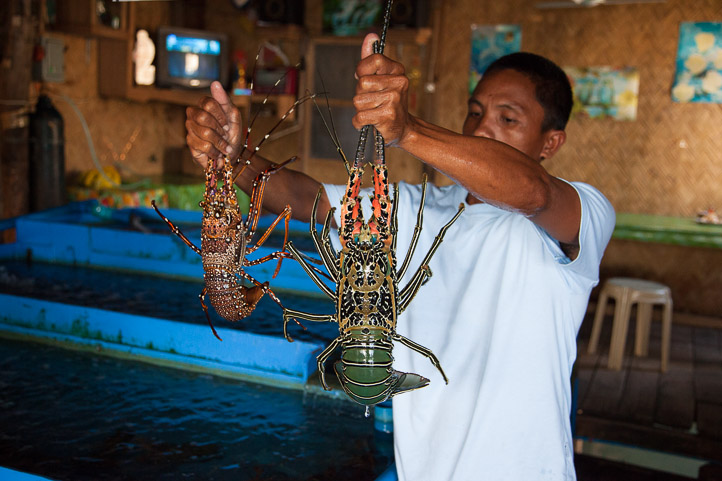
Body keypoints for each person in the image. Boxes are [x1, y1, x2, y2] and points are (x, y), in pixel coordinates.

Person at [185, 33, 615, 481]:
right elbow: (305, 197)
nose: (483, 128)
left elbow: (532, 191)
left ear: (551, 143)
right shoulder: (412, 205)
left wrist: (409, 130)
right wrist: (231, 159)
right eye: (475, 113)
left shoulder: (582, 212)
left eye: (508, 119)